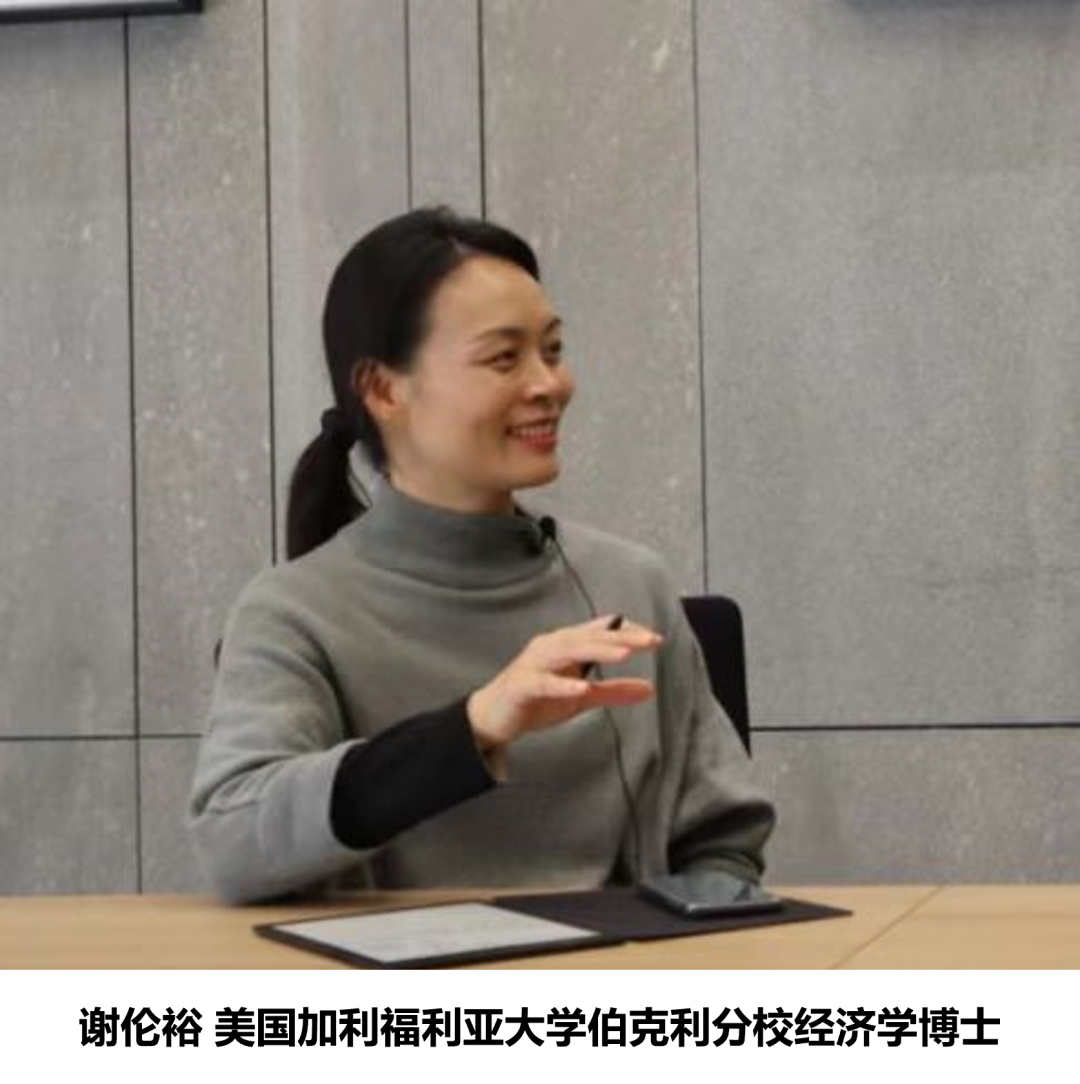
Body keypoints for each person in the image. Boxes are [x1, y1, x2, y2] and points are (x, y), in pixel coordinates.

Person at [189, 206, 775, 905]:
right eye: (504, 358)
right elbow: (235, 840)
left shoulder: (628, 584)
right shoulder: (292, 612)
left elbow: (723, 844)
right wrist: (473, 727)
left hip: (620, 967)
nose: (549, 384)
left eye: (552, 350)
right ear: (383, 389)